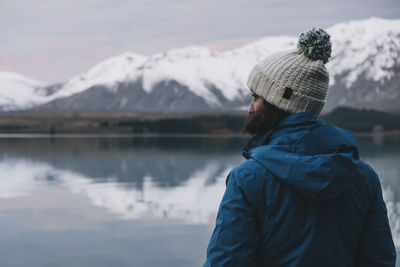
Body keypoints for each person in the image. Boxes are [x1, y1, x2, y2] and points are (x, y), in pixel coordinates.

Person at [203, 28, 396, 267]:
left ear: (278, 102)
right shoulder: (364, 177)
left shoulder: (248, 179)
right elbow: (380, 260)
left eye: (256, 97)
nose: (250, 108)